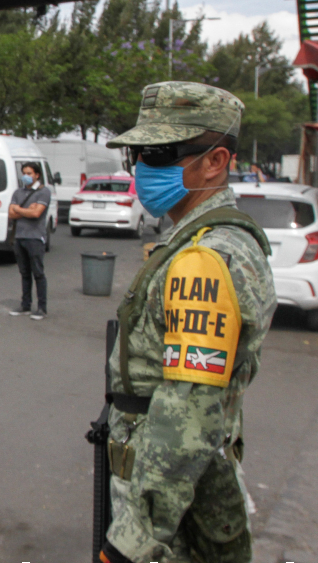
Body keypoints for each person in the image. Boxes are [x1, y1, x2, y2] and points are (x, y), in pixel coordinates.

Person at [100, 82, 276, 563]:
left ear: (216, 161)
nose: (142, 168)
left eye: (159, 153)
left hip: (170, 522)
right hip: (171, 497)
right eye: (137, 153)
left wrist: (132, 542)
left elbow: (187, 414)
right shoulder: (196, 240)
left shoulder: (204, 257)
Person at [8, 162, 52, 320]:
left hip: (35, 238)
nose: (26, 176)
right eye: (24, 173)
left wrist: (18, 209)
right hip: (19, 237)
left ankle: (42, 308)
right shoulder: (18, 192)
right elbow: (11, 214)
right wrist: (26, 210)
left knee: (38, 273)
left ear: (37, 175)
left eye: (29, 173)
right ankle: (25, 305)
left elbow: (36, 214)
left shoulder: (44, 192)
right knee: (24, 273)